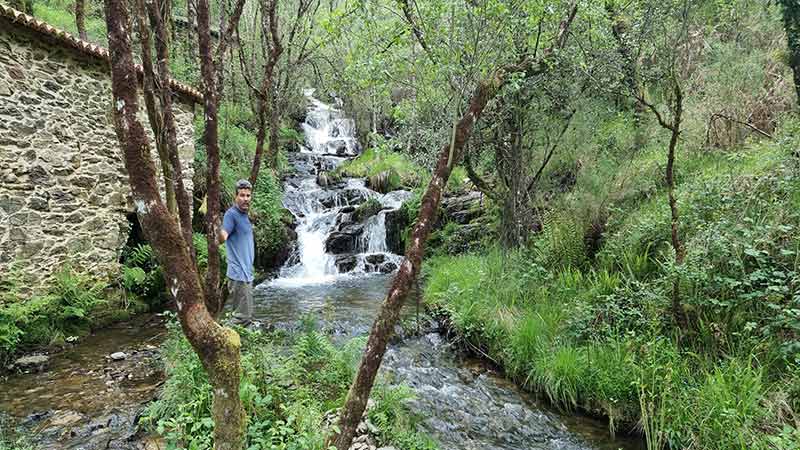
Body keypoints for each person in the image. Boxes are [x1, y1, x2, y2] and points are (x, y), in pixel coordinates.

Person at [219, 179, 255, 325]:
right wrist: (217, 231)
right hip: (238, 273)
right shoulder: (231, 215)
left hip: (246, 273)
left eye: (248, 195)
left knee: (244, 317)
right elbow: (223, 237)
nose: (245, 199)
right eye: (242, 195)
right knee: (242, 318)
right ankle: (219, 341)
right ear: (235, 196)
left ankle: (238, 345)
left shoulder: (244, 215)